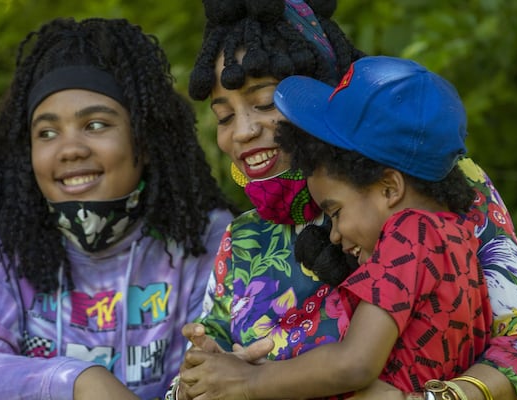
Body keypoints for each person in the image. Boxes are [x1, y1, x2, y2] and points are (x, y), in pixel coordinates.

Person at [170, 1, 517, 399]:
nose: (242, 132)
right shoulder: (243, 239)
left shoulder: (433, 184)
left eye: (266, 103)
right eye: (223, 117)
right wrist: (201, 378)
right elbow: (201, 375)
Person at [180, 55, 495, 399]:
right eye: (224, 117)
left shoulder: (409, 234)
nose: (333, 233)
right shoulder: (458, 234)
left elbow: (354, 364)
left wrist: (248, 383)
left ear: (390, 187)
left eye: (335, 212)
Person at [0, 17, 235, 400]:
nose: (70, 149)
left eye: (95, 125)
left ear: (144, 137)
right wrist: (79, 382)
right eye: (47, 133)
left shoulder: (205, 239)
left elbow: (203, 377)